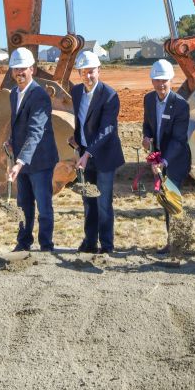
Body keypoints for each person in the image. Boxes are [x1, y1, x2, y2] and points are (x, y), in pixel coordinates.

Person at [69, 50, 125, 254]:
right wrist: (76, 140)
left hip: (104, 158)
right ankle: (90, 242)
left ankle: (107, 246)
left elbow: (106, 130)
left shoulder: (109, 95)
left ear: (99, 71)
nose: (88, 76)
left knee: (103, 203)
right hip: (85, 155)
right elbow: (81, 121)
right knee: (88, 201)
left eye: (91, 71)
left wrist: (87, 154)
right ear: (79, 73)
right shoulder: (76, 92)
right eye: (84, 72)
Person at [7, 47, 60, 252]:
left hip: (41, 161)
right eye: (15, 69)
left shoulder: (39, 95)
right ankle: (23, 242)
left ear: (32, 70)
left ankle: (46, 245)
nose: (19, 73)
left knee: (43, 206)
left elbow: (36, 131)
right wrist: (11, 140)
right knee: (24, 205)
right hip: (22, 160)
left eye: (23, 69)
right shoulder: (14, 94)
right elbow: (18, 123)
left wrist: (19, 162)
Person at [142, 59, 191, 254]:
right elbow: (148, 123)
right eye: (157, 80)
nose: (161, 85)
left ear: (171, 80)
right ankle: (172, 241)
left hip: (176, 159)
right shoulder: (148, 99)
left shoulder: (180, 105)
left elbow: (179, 139)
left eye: (164, 81)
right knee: (165, 199)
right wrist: (146, 137)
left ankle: (179, 242)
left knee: (172, 197)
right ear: (152, 81)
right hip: (158, 159)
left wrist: (164, 161)